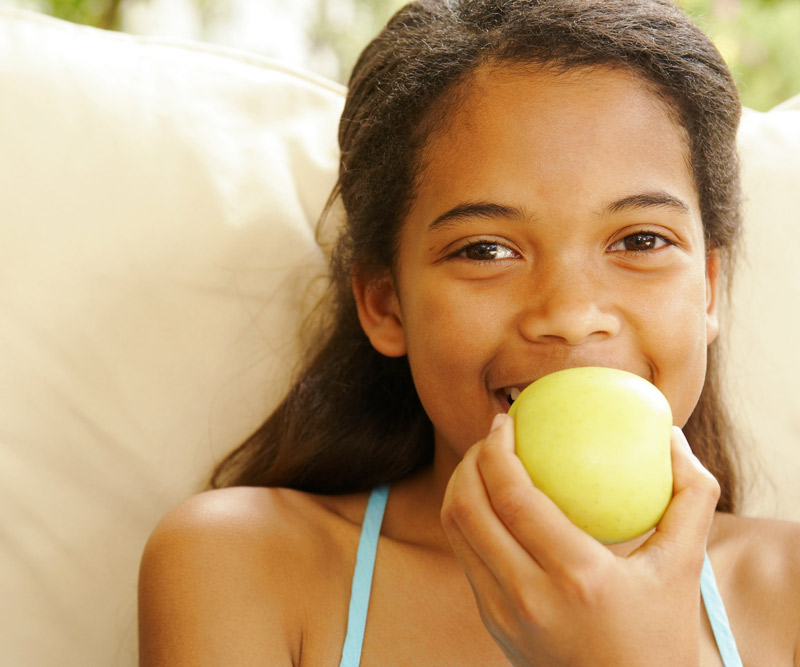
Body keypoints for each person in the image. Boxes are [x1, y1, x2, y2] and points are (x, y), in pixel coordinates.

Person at [138, 1, 800, 664]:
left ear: (709, 288)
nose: (571, 313)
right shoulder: (243, 565)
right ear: (386, 304)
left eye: (642, 239)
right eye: (486, 250)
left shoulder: (787, 590)